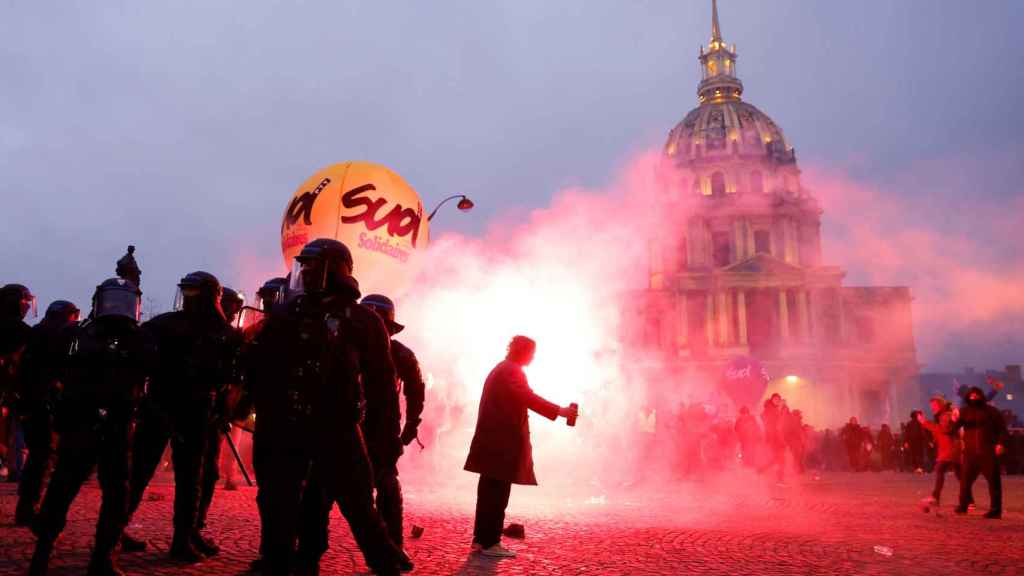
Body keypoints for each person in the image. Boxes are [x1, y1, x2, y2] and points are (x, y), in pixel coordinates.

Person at [249, 239, 405, 576]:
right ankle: (278, 564)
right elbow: (264, 370)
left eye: (311, 266)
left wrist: (386, 440)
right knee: (279, 503)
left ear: (333, 269)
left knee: (360, 506)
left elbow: (382, 387)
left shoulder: (363, 320)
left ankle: (386, 564)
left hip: (338, 427)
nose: (304, 272)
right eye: (302, 266)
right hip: (289, 425)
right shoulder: (288, 312)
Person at [29, 278, 150, 576]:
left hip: (105, 422)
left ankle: (93, 556)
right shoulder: (80, 333)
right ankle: (52, 552)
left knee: (84, 489)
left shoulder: (132, 336)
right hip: (89, 421)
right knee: (71, 488)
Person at [120, 271, 239, 561]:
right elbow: (228, 374)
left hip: (160, 404)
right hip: (192, 409)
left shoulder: (161, 324)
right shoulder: (222, 332)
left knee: (140, 474)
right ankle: (180, 541)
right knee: (188, 478)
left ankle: (114, 534)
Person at [464, 335, 578, 558]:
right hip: (501, 445)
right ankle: (490, 543)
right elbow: (527, 397)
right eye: (532, 352)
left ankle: (481, 540)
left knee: (488, 494)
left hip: (492, 443)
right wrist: (560, 411)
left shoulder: (502, 368)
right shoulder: (512, 371)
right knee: (497, 495)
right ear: (524, 352)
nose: (534, 357)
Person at [360, 294, 426, 555]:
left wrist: (412, 423)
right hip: (341, 426)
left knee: (386, 484)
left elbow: (416, 389)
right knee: (319, 489)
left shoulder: (401, 354)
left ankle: (392, 547)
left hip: (382, 429)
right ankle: (306, 553)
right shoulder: (341, 346)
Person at [14, 300, 80, 526]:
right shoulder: (60, 336)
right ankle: (29, 508)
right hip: (46, 403)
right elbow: (68, 366)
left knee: (38, 455)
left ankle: (28, 505)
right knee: (43, 455)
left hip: (31, 403)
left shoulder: (35, 333)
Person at [954, 386, 1009, 518]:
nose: (973, 398)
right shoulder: (964, 412)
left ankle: (995, 510)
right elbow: (953, 429)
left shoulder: (992, 411)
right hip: (970, 453)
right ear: (968, 397)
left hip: (988, 451)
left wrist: (1001, 443)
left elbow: (1002, 429)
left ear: (981, 396)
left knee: (993, 482)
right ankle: (963, 506)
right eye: (971, 396)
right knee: (965, 481)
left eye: (976, 395)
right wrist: (954, 420)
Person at [0, 285, 36, 482]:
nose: (28, 307)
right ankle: (16, 468)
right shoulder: (21, 331)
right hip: (13, 389)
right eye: (26, 302)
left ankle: (13, 466)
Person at [917, 395, 961, 511]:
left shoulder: (945, 415)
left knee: (940, 469)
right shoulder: (942, 415)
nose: (933, 408)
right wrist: (934, 440)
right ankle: (968, 500)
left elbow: (944, 429)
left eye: (934, 406)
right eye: (932, 406)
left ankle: (936, 497)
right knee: (960, 475)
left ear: (940, 405)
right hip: (949, 449)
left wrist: (925, 423)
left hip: (950, 449)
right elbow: (941, 431)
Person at [761, 394, 787, 481]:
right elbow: (773, 422)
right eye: (775, 399)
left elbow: (782, 422)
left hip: (778, 438)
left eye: (778, 399)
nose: (777, 401)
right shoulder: (769, 409)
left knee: (778, 459)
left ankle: (763, 470)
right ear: (771, 400)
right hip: (773, 438)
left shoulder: (777, 409)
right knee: (778, 459)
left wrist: (783, 409)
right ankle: (779, 478)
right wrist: (781, 409)